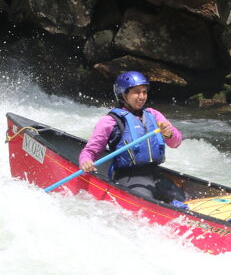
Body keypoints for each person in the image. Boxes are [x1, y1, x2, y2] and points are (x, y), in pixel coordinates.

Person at [79, 71, 186, 204]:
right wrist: (86, 161)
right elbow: (90, 151)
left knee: (185, 201)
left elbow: (176, 142)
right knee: (147, 204)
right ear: (123, 94)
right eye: (136, 92)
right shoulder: (110, 121)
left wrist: (168, 134)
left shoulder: (154, 115)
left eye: (144, 92)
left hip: (155, 176)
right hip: (129, 178)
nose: (142, 96)